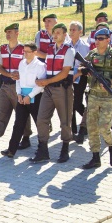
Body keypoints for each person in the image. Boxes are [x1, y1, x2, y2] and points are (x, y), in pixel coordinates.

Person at [0, 23, 33, 153]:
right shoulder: (3, 48)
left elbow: (29, 66)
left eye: (10, 32)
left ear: (17, 33)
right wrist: (9, 74)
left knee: (22, 113)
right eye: (6, 32)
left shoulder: (23, 49)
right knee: (0, 112)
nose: (8, 34)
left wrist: (20, 75)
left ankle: (26, 138)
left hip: (20, 87)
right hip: (5, 85)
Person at [80, 28, 112, 169]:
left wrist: (111, 81)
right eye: (96, 38)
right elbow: (81, 66)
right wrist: (83, 70)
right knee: (92, 127)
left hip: (108, 96)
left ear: (108, 40)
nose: (98, 41)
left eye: (101, 38)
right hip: (94, 95)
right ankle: (95, 157)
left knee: (104, 126)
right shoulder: (92, 54)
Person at [31, 23, 75, 163]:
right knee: (41, 119)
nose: (55, 35)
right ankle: (43, 149)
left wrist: (46, 82)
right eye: (54, 32)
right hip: (48, 89)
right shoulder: (50, 49)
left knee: (65, 121)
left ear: (65, 35)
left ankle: (65, 149)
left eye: (59, 33)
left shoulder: (69, 50)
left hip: (63, 89)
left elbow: (64, 73)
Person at [1, 42, 46, 158]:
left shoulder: (40, 66)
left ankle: (42, 151)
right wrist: (19, 94)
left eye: (27, 51)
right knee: (18, 124)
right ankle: (11, 150)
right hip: (22, 98)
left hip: (35, 97)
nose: (25, 53)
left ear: (35, 52)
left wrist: (29, 96)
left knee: (39, 124)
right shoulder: (22, 63)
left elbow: (40, 85)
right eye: (24, 51)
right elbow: (18, 80)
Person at [68, 21, 91, 143]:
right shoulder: (67, 45)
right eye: (70, 30)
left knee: (77, 103)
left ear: (80, 32)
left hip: (80, 77)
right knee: (70, 105)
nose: (71, 32)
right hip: (69, 76)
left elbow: (85, 64)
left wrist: (76, 74)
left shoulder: (84, 46)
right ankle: (73, 131)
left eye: (74, 30)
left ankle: (88, 121)